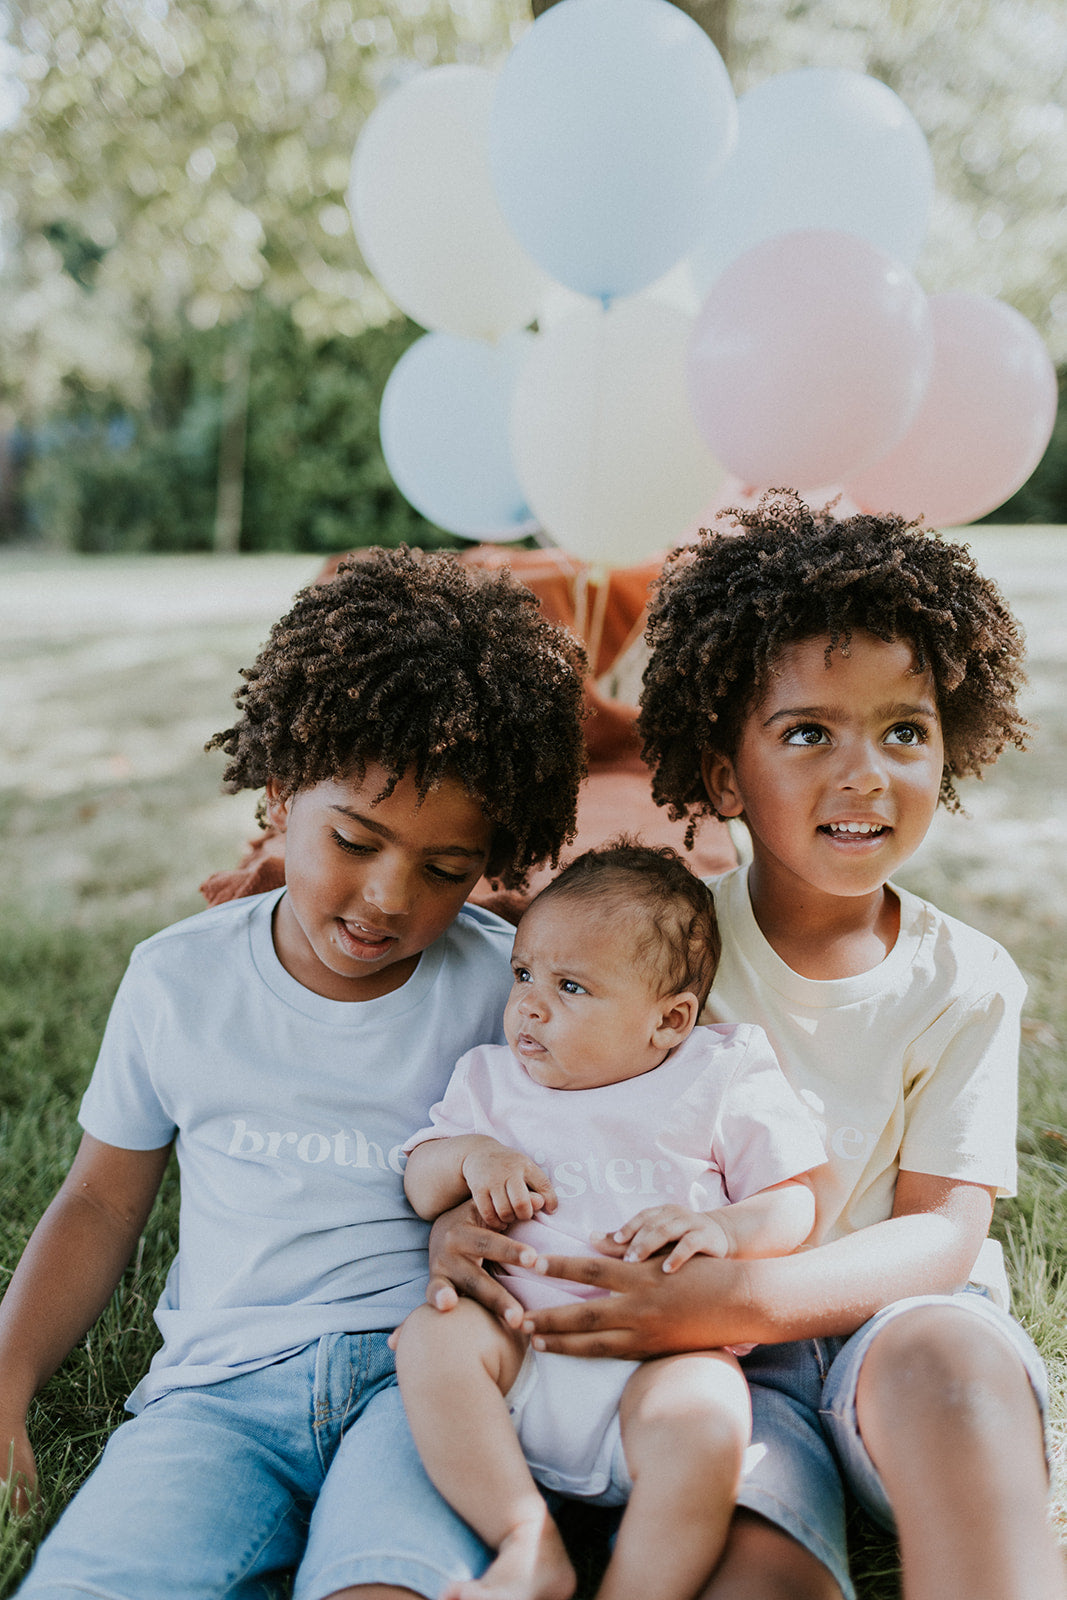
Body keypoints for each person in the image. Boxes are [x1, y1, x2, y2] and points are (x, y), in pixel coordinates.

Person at [426, 494, 1065, 1600]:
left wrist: (736, 1299)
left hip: (891, 1334)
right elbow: (536, 1113)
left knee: (950, 1363)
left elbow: (941, 1234)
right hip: (713, 1374)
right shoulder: (648, 956)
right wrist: (460, 1223)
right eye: (808, 732)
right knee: (754, 1575)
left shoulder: (962, 980)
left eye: (903, 731)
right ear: (724, 776)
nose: (865, 772)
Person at [0, 547, 588, 1600]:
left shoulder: (510, 990)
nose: (388, 897)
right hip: (219, 1395)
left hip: (431, 1386)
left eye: (445, 869)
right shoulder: (179, 979)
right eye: (354, 840)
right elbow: (98, 1201)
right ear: (279, 798)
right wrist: (6, 1378)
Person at [395, 841, 827, 1600]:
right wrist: (470, 1157)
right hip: (516, 1350)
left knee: (711, 1413)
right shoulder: (491, 1078)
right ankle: (526, 1538)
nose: (530, 1005)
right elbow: (421, 1183)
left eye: (570, 986)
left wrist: (724, 1232)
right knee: (433, 1338)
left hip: (660, 1366)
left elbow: (793, 1200)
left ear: (669, 1020)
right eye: (523, 974)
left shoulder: (720, 1072)